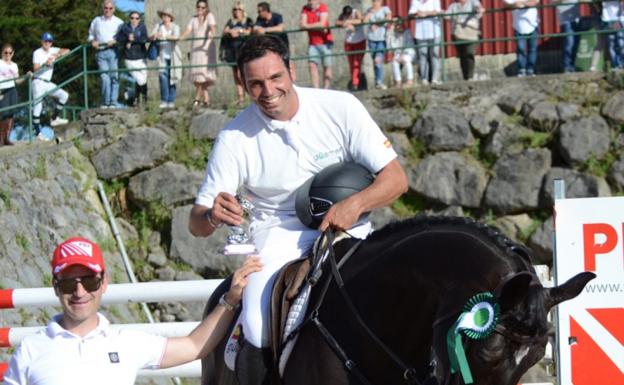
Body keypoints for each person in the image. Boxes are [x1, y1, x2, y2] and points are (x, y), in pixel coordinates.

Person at [188, 35, 408, 383]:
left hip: (349, 224)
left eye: (276, 77)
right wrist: (213, 215)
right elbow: (196, 224)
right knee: (259, 325)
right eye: (255, 83)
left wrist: (355, 204)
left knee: (404, 301)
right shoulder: (233, 138)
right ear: (241, 84)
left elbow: (395, 180)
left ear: (291, 69)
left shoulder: (341, 107)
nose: (268, 90)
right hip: (278, 233)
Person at [3, 236, 262, 385]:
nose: (80, 292)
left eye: (89, 281)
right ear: (56, 287)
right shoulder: (30, 349)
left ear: (104, 283)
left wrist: (231, 297)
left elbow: (194, 346)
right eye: (70, 283)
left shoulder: (126, 342)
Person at [32, 32, 70, 141]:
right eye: (45, 41)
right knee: (37, 107)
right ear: (42, 42)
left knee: (64, 95)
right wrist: (45, 64)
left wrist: (57, 55)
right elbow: (35, 69)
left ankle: (54, 118)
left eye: (49, 41)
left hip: (47, 83)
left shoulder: (52, 50)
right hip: (38, 82)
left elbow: (67, 50)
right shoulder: (37, 52)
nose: (47, 43)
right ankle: (38, 133)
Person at [180, 0, 218, 109]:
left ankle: (197, 99)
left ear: (206, 8)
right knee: (197, 74)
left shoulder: (210, 16)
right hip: (196, 48)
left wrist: (207, 41)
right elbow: (187, 31)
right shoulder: (193, 19)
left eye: (202, 7)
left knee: (203, 74)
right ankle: (206, 99)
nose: (200, 9)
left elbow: (213, 29)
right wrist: (179, 38)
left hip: (206, 48)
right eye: (198, 7)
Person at [88, 0, 124, 108]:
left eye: (110, 8)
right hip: (100, 52)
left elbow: (123, 37)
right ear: (103, 8)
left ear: (114, 9)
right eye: (106, 8)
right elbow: (90, 35)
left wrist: (115, 41)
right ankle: (105, 102)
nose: (108, 10)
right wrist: (92, 41)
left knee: (114, 77)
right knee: (104, 78)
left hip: (113, 51)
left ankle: (113, 102)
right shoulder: (96, 20)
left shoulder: (119, 22)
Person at [222, 1, 253, 105]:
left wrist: (239, 31)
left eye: (239, 9)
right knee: (236, 75)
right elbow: (225, 31)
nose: (237, 12)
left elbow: (249, 31)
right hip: (233, 51)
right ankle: (241, 98)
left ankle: (250, 95)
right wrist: (231, 31)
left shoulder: (247, 20)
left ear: (243, 11)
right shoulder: (231, 21)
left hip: (244, 49)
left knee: (241, 74)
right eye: (235, 9)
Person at [150, 7, 182, 109]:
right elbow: (151, 36)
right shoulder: (158, 26)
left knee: (173, 77)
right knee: (163, 78)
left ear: (170, 17)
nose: (165, 17)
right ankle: (164, 100)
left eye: (167, 15)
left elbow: (177, 37)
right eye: (164, 15)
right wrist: (155, 35)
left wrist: (164, 37)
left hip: (173, 56)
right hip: (162, 56)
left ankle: (171, 100)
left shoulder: (175, 26)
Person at [445, 0, 484, 80]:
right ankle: (465, 77)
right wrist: (441, 13)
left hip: (471, 33)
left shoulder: (473, 2)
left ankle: (470, 76)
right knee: (462, 56)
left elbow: (478, 8)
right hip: (458, 34)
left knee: (469, 53)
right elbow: (447, 16)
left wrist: (479, 9)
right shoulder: (454, 6)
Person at [115, 11, 148, 106]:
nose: (134, 20)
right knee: (140, 79)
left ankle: (138, 99)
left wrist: (133, 40)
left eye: (137, 18)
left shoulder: (142, 27)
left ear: (139, 19)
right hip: (129, 58)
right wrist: (127, 39)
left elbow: (144, 39)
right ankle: (141, 98)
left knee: (142, 79)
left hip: (141, 57)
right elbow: (118, 38)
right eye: (132, 18)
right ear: (129, 19)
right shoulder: (124, 27)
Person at [300, 0, 334, 89]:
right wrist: (316, 26)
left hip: (325, 42)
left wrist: (308, 26)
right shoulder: (305, 9)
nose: (310, 2)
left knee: (327, 66)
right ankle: (316, 89)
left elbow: (322, 24)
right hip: (313, 43)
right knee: (312, 66)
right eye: (309, 1)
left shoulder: (323, 7)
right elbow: (302, 25)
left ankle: (326, 89)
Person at [409, 0, 443, 84]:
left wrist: (425, 13)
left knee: (434, 54)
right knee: (423, 55)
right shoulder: (415, 1)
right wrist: (417, 13)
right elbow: (411, 13)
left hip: (434, 31)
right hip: (421, 32)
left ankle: (435, 78)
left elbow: (438, 12)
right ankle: (424, 78)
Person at [0, 43, 28, 146]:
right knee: (3, 114)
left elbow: (18, 81)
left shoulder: (14, 65)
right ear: (2, 53)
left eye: (10, 53)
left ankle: (7, 138)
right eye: (5, 52)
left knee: (11, 114)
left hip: (12, 90)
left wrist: (26, 76)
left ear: (13, 53)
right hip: (2, 89)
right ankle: (1, 139)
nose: (8, 54)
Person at [504, 0, 540, 77]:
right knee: (521, 49)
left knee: (533, 49)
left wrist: (522, 3)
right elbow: (506, 5)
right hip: (519, 26)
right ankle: (522, 70)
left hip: (533, 24)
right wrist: (515, 5)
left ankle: (530, 69)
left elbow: (535, 2)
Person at [336, 5, 367, 91]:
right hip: (349, 42)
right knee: (351, 63)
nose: (348, 16)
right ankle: (355, 82)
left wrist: (349, 22)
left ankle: (354, 83)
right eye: (346, 15)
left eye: (349, 15)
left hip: (359, 41)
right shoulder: (343, 16)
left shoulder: (356, 12)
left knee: (356, 63)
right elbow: (337, 22)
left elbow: (361, 20)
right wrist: (344, 23)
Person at [364, 0, 392, 89]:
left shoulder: (385, 9)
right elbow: (364, 21)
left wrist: (376, 24)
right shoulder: (369, 11)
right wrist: (370, 14)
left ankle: (380, 82)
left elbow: (388, 18)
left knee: (378, 60)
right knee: (375, 62)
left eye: (376, 1)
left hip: (381, 39)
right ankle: (378, 82)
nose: (375, 3)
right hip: (372, 39)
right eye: (373, 1)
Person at [552, 0, 579, 73]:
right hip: (565, 21)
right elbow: (553, 3)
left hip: (576, 19)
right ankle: (566, 66)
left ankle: (572, 65)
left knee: (575, 45)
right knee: (569, 44)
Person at [387, 20, 416, 87]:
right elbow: (389, 47)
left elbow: (410, 45)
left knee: (407, 60)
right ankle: (398, 81)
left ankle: (410, 80)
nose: (398, 27)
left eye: (399, 25)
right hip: (398, 54)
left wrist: (403, 54)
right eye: (396, 25)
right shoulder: (393, 34)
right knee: (394, 62)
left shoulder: (407, 32)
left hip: (409, 52)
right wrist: (390, 33)